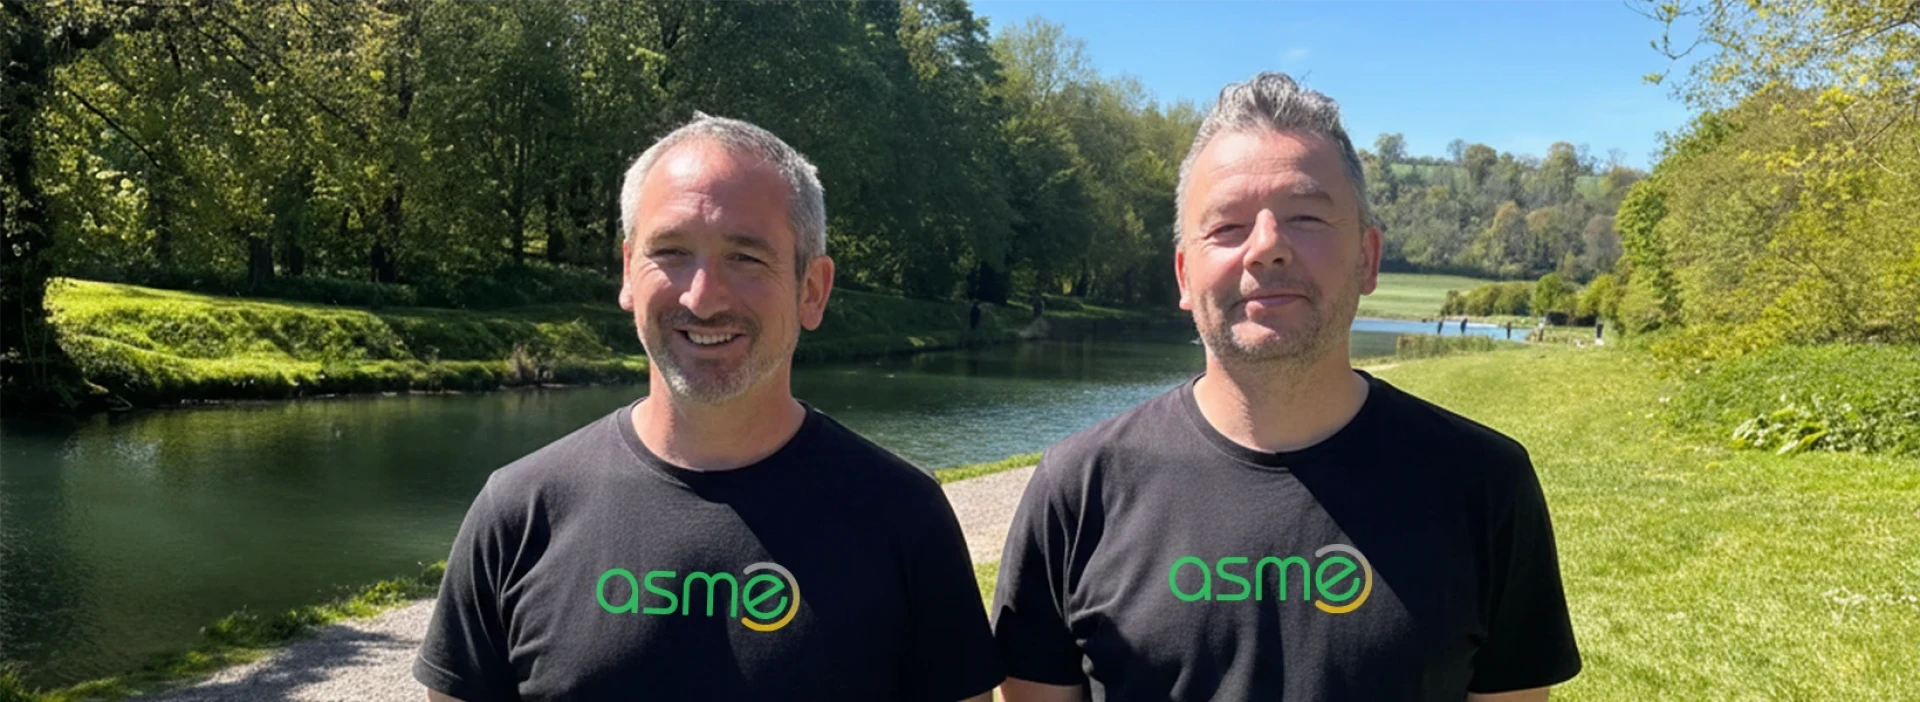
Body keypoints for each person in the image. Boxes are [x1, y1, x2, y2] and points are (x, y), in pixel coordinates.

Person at [991, 72, 1581, 701]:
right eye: (1226, 227)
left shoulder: (1484, 483)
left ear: (1368, 258)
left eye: (1305, 217)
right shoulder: (1078, 488)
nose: (1267, 248)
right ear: (1185, 275)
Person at [414, 113, 1001, 702]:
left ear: (812, 290)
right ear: (627, 274)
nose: (702, 296)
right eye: (670, 251)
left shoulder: (903, 517)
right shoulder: (519, 513)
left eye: (745, 258)